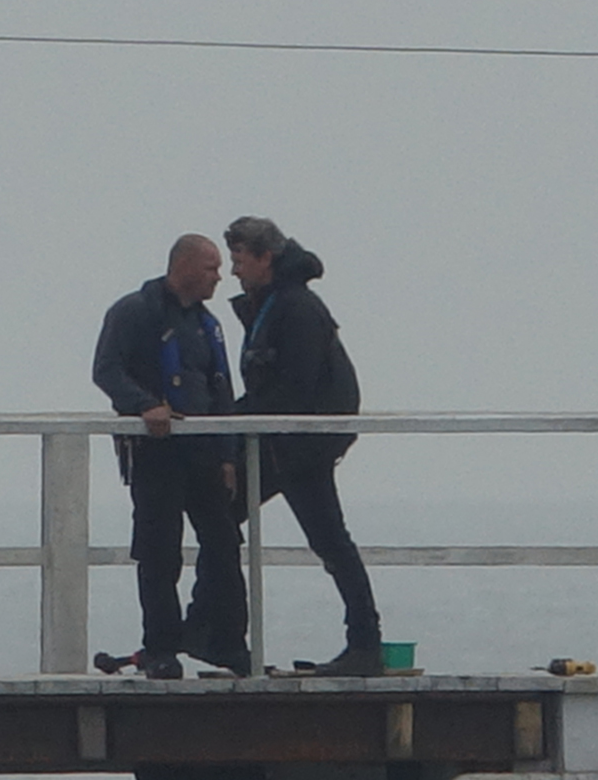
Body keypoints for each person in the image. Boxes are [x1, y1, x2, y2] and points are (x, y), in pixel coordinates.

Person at [224, 215, 383, 677]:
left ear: (264, 258)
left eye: (239, 260)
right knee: (322, 537)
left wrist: (228, 419)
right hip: (289, 444)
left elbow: (291, 389)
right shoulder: (276, 304)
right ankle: (219, 632)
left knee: (328, 538)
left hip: (301, 447)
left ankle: (364, 643)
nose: (235, 271)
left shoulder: (294, 308)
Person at [92, 234, 249, 679]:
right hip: (155, 453)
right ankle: (160, 647)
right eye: (211, 268)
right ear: (182, 267)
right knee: (160, 552)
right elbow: (106, 369)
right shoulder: (133, 312)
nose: (220, 276)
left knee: (223, 546)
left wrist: (227, 454)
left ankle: (227, 644)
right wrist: (144, 404)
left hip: (203, 452)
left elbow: (221, 390)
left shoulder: (208, 325)